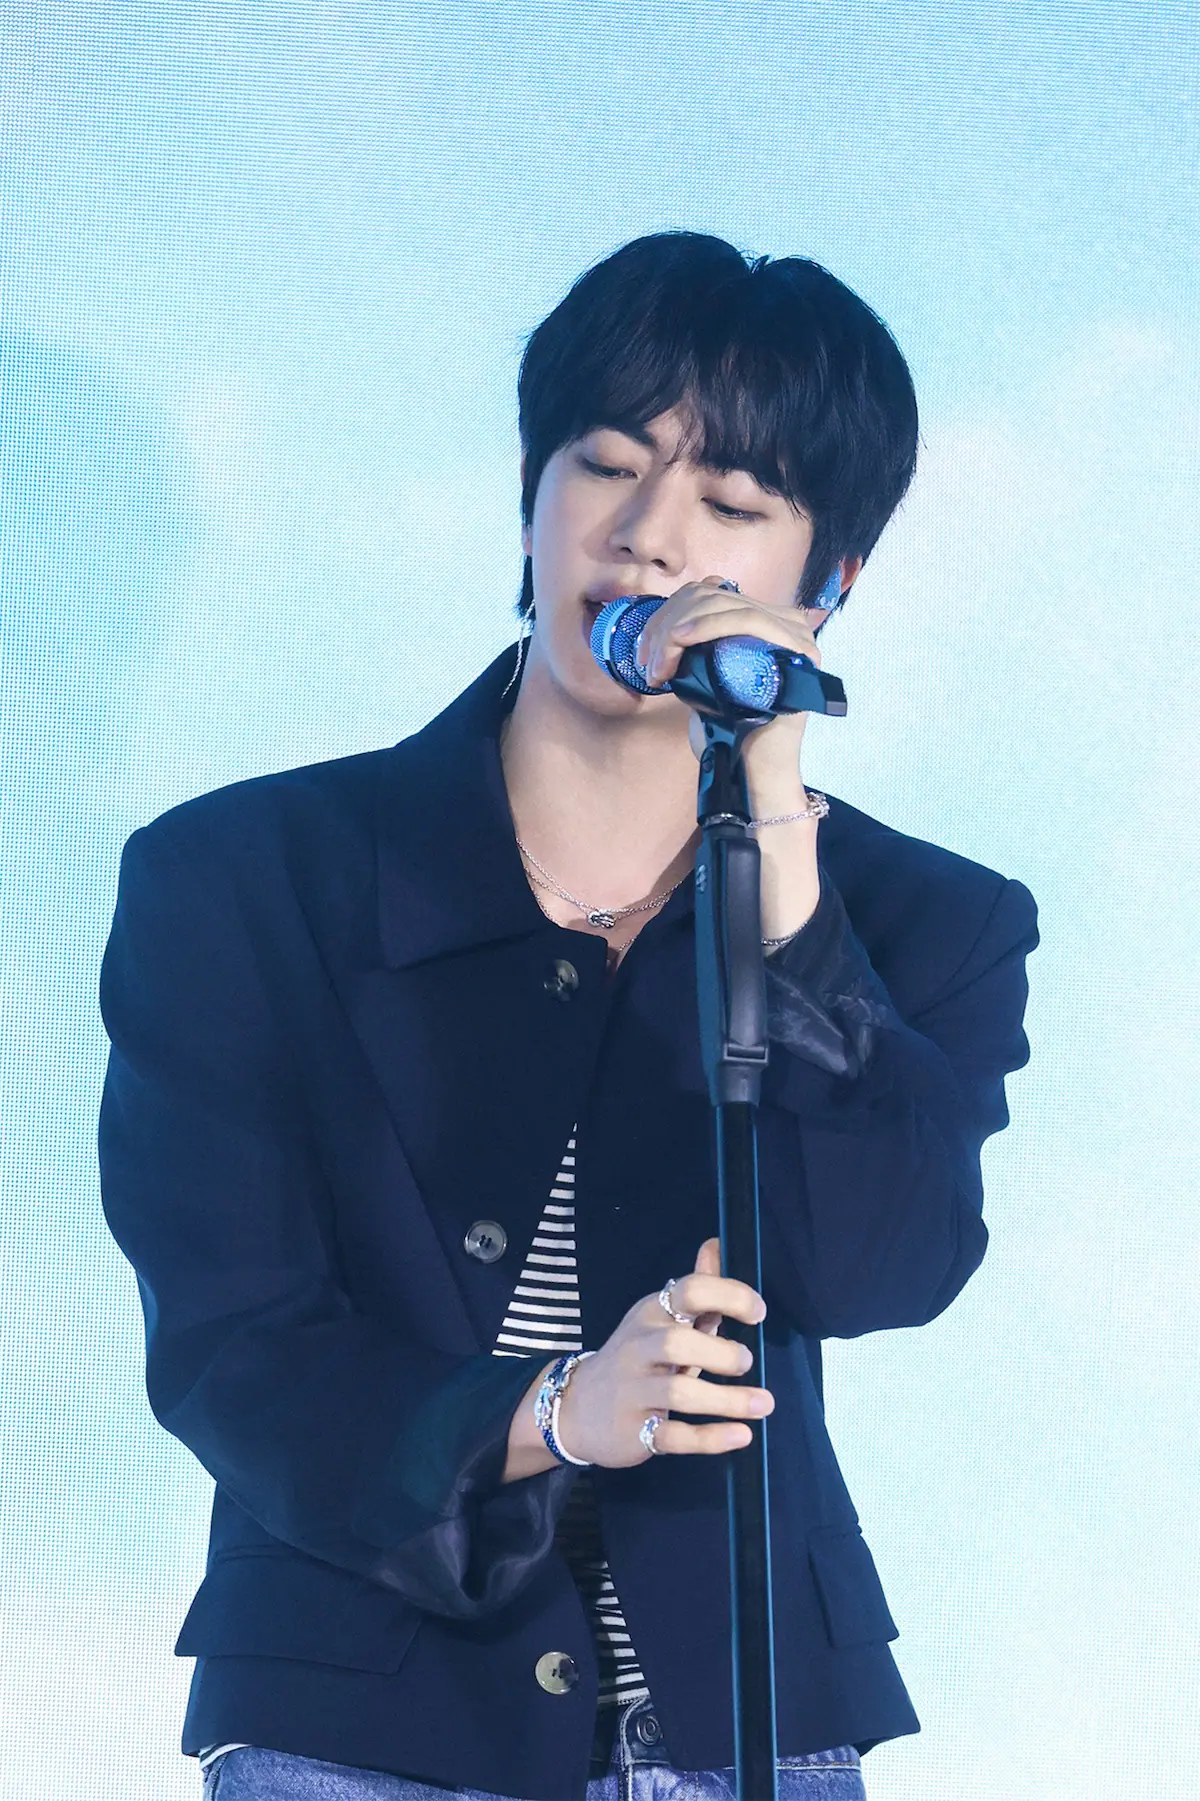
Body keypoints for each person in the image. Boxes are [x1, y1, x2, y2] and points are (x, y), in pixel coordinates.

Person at [97, 230, 1038, 1801]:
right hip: (358, 1726)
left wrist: (774, 820)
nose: (649, 537)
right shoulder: (244, 877)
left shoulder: (922, 917)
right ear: (529, 497)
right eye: (604, 465)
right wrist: (557, 1413)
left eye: (733, 504)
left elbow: (884, 1263)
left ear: (831, 581)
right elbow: (232, 1347)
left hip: (746, 1727)